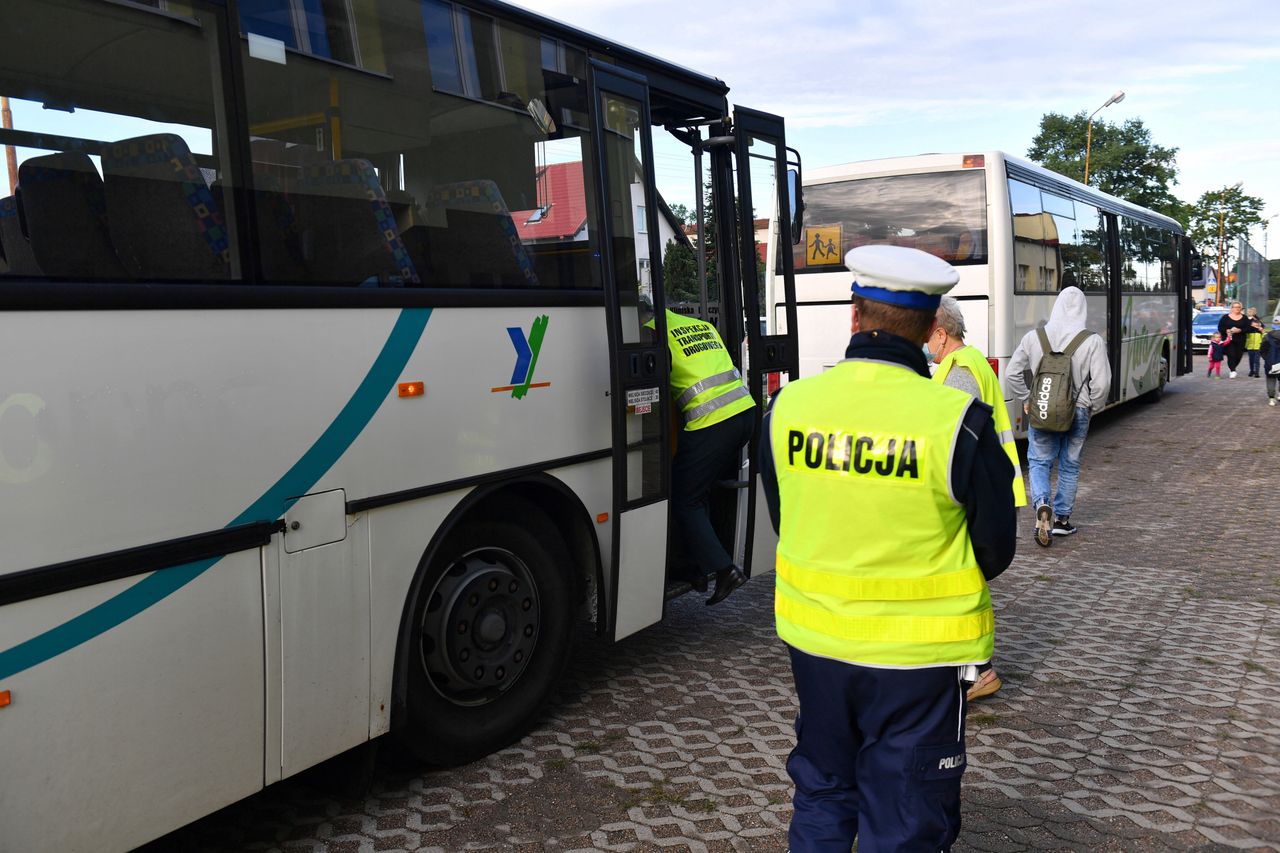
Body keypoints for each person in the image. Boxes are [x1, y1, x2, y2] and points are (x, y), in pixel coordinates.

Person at [762, 245, 1017, 852]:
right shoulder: (962, 420)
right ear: (932, 328)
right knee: (903, 815)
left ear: (854, 315)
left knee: (823, 791)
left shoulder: (786, 406)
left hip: (816, 646)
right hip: (918, 664)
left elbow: (785, 515)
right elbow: (996, 549)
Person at [926, 295, 1026, 702]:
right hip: (988, 489)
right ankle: (969, 668)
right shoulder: (971, 360)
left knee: (960, 588)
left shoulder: (960, 371)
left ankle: (977, 671)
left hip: (973, 495)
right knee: (962, 586)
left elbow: (955, 443)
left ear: (940, 332)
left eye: (925, 334)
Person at [644, 303, 754, 605]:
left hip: (712, 421)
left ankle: (723, 570)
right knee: (698, 491)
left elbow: (650, 390)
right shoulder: (698, 325)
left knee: (683, 498)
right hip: (744, 413)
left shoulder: (650, 334)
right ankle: (695, 566)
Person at [1006, 286, 1111, 547]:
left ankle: (1042, 504)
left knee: (1039, 462)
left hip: (1042, 408)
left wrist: (1027, 399)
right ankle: (1062, 521)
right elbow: (1103, 383)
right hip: (1078, 410)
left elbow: (1011, 374)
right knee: (1069, 465)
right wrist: (1092, 406)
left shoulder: (1034, 337)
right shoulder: (1092, 341)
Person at [1217, 302, 1253, 378]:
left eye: (1239, 307)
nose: (1237, 308)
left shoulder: (1244, 318)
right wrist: (1226, 330)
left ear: (1241, 308)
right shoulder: (1225, 317)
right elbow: (1220, 327)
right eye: (1235, 307)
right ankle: (1232, 370)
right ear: (1232, 308)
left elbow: (1248, 328)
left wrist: (1240, 330)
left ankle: (1233, 367)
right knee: (1231, 355)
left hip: (1240, 340)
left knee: (1238, 356)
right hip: (1229, 340)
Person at [1263, 319, 1280, 406]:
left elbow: (1262, 350)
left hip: (1271, 362)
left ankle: (1271, 399)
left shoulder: (1267, 336)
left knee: (1270, 379)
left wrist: (1267, 359)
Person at [1244, 307, 1265, 377]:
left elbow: (1263, 328)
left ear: (1255, 312)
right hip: (1250, 342)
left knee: (1257, 359)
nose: (1250, 313)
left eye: (1252, 312)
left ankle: (1256, 372)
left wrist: (1260, 327)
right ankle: (1252, 370)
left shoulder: (1258, 320)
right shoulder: (1247, 320)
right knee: (1251, 359)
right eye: (1249, 312)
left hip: (1258, 343)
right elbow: (1246, 328)